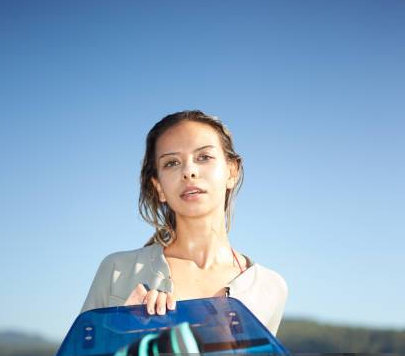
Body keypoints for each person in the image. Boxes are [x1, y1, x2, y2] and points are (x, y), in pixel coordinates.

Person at [80, 110, 288, 336]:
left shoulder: (270, 287)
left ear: (232, 171)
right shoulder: (117, 271)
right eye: (171, 163)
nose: (189, 171)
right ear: (158, 186)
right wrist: (123, 331)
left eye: (204, 157)